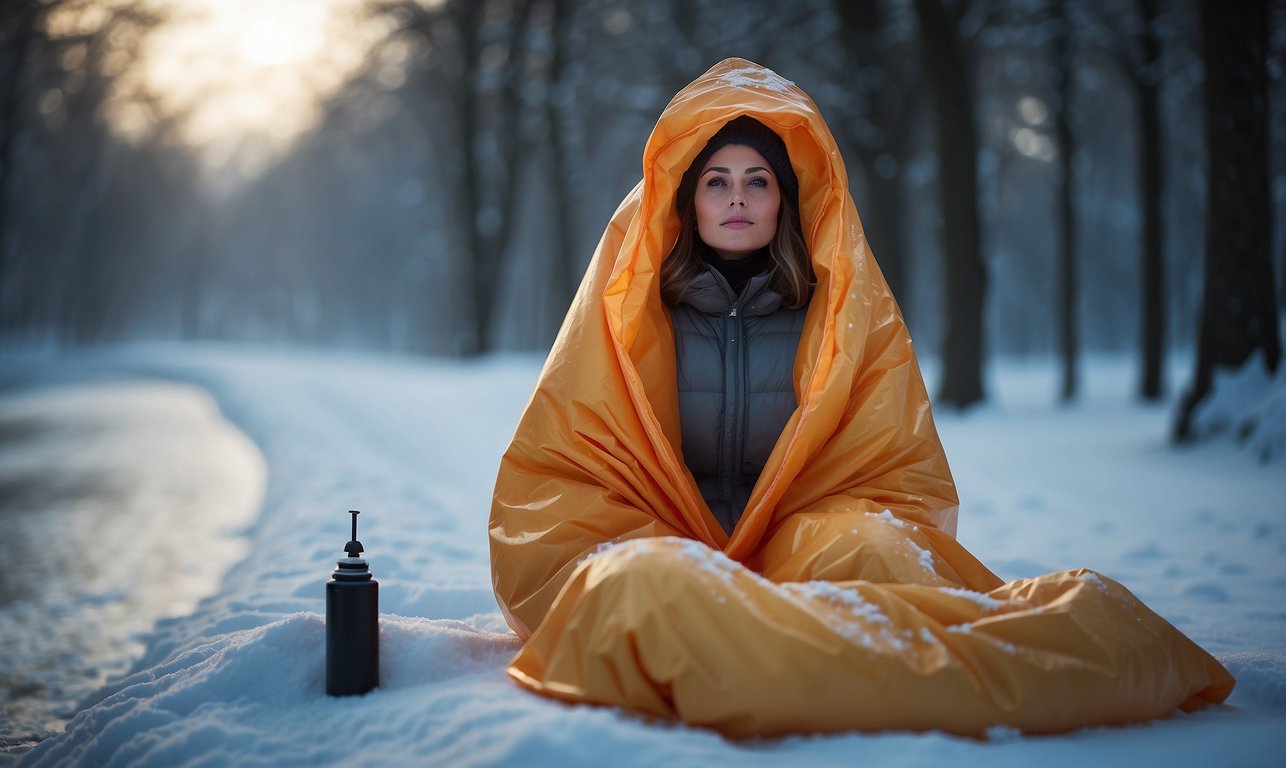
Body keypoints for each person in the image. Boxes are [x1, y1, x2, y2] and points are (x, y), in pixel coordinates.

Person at [488, 58, 1232, 737]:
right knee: (638, 584)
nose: (737, 198)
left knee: (876, 550)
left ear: (786, 197)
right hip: (669, 545)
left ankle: (782, 661)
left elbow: (887, 467)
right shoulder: (631, 312)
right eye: (717, 179)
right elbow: (571, 454)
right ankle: (839, 664)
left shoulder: (839, 309)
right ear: (687, 198)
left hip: (802, 545)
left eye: (758, 180)